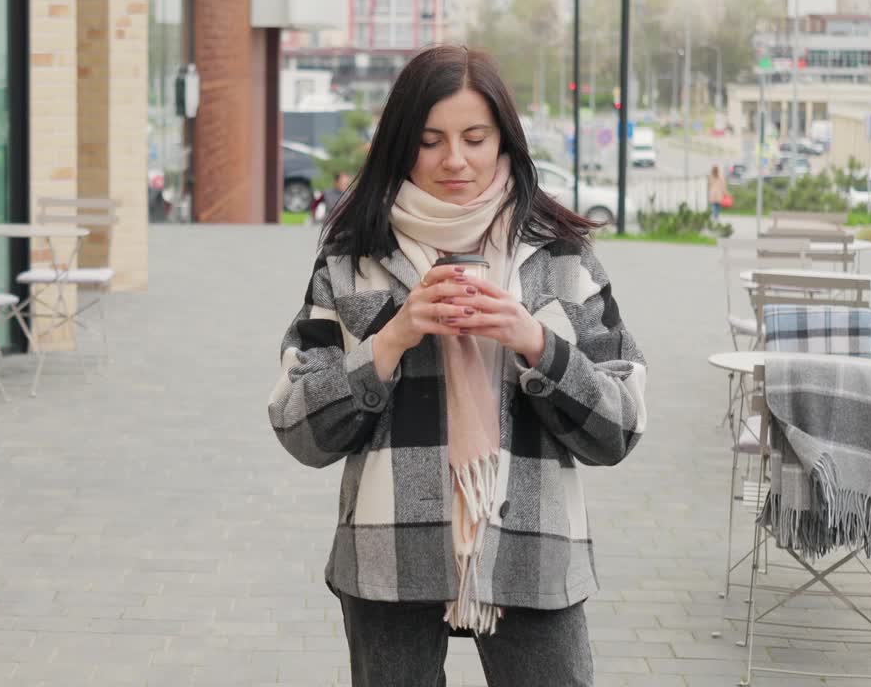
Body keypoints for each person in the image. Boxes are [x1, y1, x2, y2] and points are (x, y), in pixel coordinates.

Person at [267, 45, 648, 687]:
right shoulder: (353, 257)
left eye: (475, 137)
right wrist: (392, 339)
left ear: (504, 140)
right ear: (400, 146)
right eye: (429, 139)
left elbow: (621, 425)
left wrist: (535, 341)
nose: (454, 160)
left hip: (532, 543)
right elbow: (299, 427)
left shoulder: (559, 256)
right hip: (390, 550)